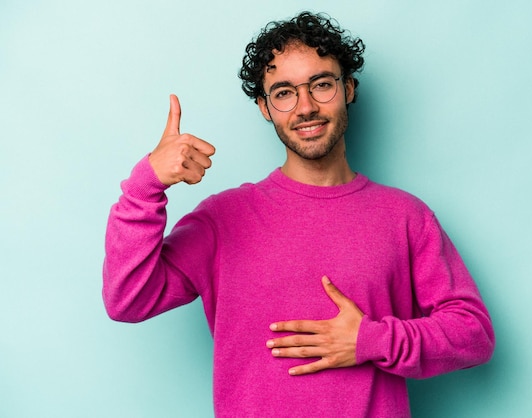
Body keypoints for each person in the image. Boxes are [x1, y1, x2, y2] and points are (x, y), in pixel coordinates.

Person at [103, 11, 495, 417]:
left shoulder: (405, 216)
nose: (305, 107)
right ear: (264, 107)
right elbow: (128, 300)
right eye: (285, 92)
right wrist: (147, 183)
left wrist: (371, 340)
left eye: (321, 85)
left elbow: (474, 334)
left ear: (349, 89)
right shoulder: (224, 219)